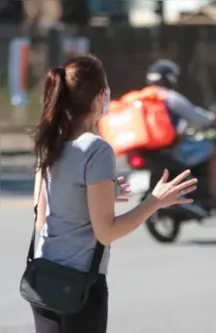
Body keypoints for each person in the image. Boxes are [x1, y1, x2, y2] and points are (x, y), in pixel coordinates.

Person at [30, 54, 198, 333]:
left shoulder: (50, 143)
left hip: (43, 278)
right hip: (79, 283)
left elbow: (41, 217)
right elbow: (106, 232)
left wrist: (99, 195)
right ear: (101, 95)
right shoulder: (96, 149)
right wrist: (154, 201)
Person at [145, 59, 216, 210]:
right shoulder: (169, 97)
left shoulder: (141, 98)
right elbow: (194, 115)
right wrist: (212, 119)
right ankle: (213, 197)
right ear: (169, 77)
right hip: (173, 150)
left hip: (150, 152)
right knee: (213, 151)